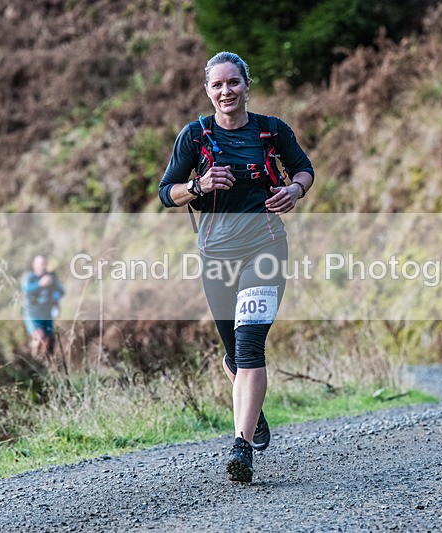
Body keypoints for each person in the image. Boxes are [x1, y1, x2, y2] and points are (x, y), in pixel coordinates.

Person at [158, 51, 314, 482]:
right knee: (233, 354)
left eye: (233, 82)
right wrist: (198, 185)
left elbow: (303, 169)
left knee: (249, 345)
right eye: (218, 84)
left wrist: (294, 191)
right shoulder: (194, 136)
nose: (226, 91)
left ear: (247, 85)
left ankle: (240, 447)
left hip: (265, 247)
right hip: (216, 256)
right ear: (208, 91)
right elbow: (166, 192)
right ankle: (253, 410)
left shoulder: (271, 130)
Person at [22, 254, 65, 364]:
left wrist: (53, 299)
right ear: (34, 265)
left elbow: (60, 292)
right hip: (32, 314)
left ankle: (46, 363)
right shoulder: (29, 278)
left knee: (48, 341)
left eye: (44, 264)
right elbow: (27, 290)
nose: (42, 266)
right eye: (40, 264)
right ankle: (33, 361)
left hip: (47, 314)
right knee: (39, 336)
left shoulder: (51, 277)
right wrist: (40, 284)